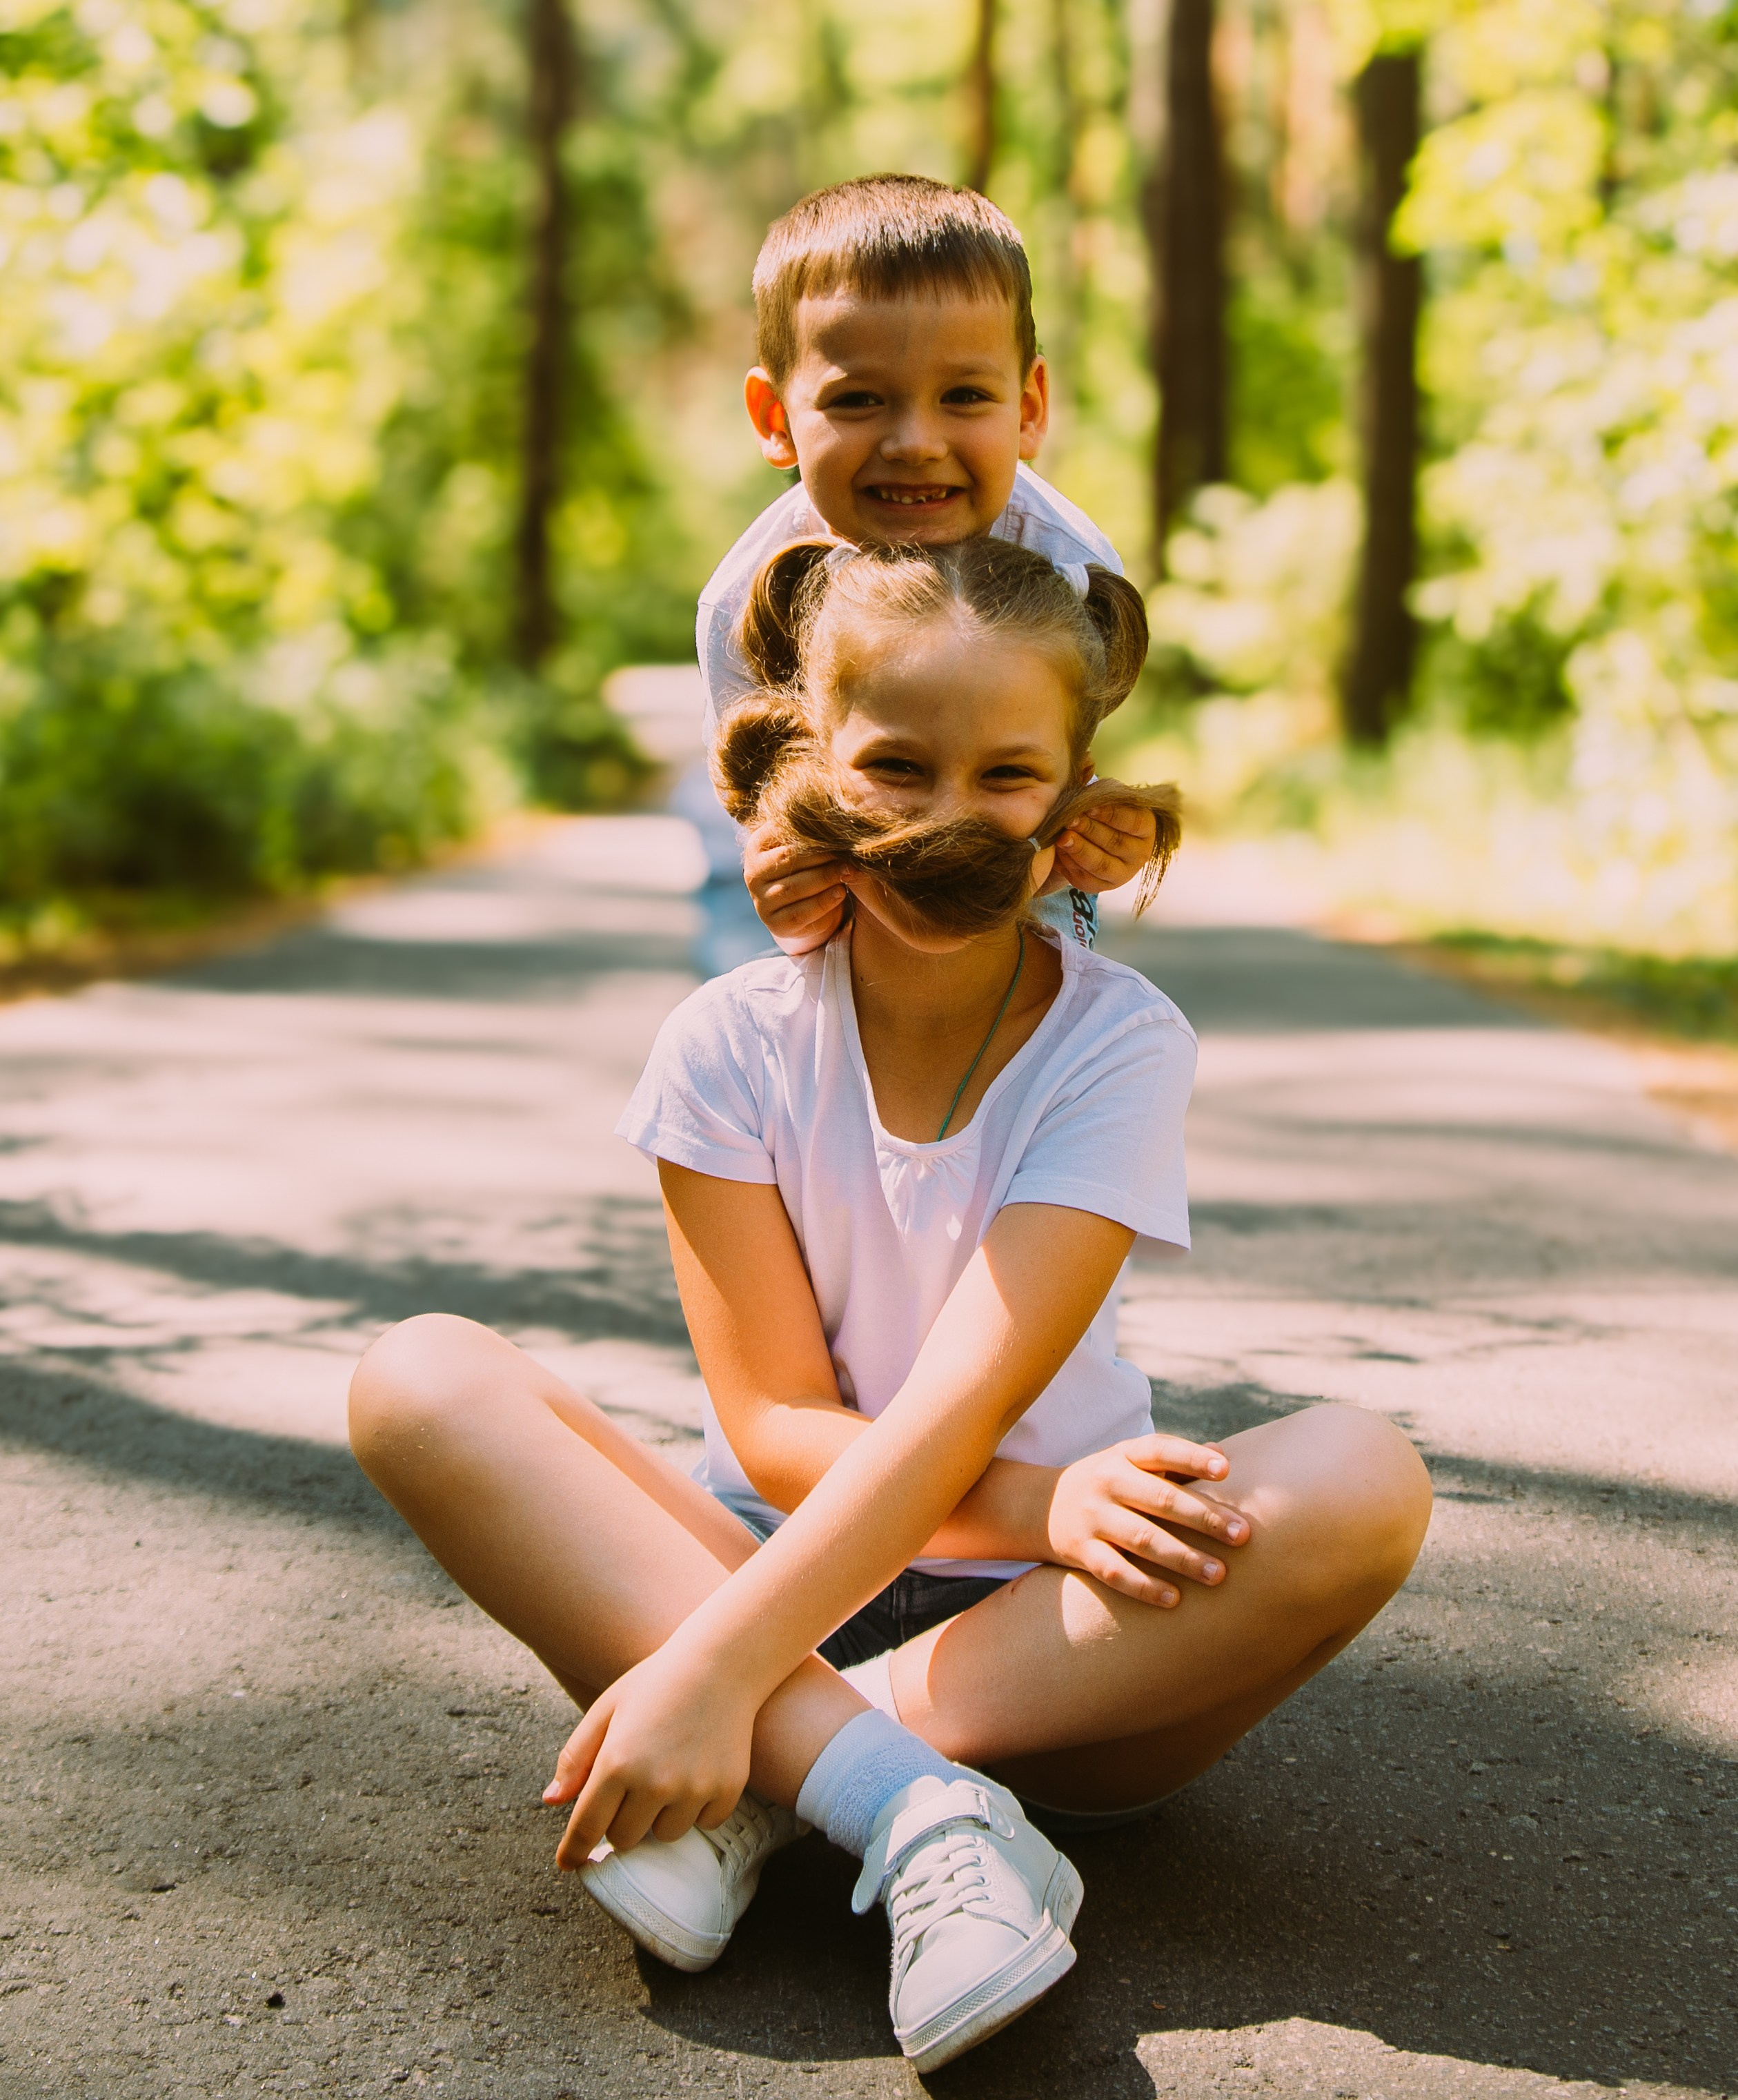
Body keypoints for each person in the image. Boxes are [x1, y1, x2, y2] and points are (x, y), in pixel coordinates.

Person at [348, 538, 1432, 2072]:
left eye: (1003, 775)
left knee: (1357, 1477)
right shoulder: (727, 1043)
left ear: (1067, 799)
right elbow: (777, 1425)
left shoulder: (1115, 1043)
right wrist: (748, 1628)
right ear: (816, 760)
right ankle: (904, 1801)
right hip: (766, 1562)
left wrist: (718, 1676)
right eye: (895, 765)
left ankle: (783, 1762)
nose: (945, 814)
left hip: (1059, 1638)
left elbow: (954, 1411)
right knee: (416, 1376)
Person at [699, 171, 1158, 959]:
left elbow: (1052, 778)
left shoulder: (1069, 572)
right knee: (755, 947)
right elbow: (769, 804)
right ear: (776, 419)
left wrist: (1092, 844)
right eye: (857, 401)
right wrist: (789, 883)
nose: (914, 441)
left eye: (964, 396)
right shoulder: (745, 604)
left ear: (1028, 407)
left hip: (1009, 874)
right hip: (840, 859)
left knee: (1043, 977)